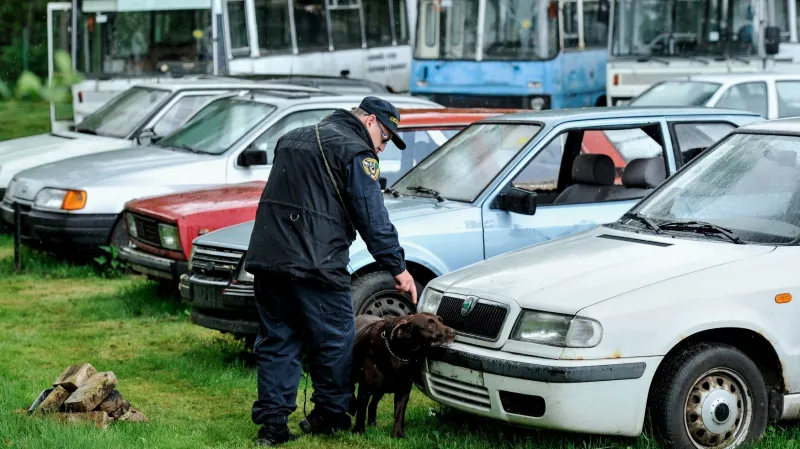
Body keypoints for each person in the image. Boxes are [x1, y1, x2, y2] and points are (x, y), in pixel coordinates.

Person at [242, 96, 418, 446]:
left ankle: (273, 425)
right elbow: (373, 217)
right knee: (335, 340)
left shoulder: (292, 137)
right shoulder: (356, 152)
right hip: (317, 265)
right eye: (384, 138)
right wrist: (399, 268)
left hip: (269, 258)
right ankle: (329, 415)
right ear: (369, 122)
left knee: (278, 340)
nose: (382, 148)